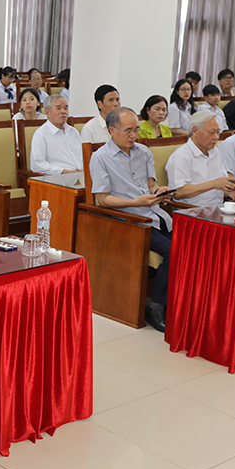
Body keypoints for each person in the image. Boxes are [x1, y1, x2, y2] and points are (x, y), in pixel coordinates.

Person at [90, 107, 174, 331]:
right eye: (128, 131)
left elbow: (151, 185)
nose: (133, 136)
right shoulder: (100, 158)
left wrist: (159, 192)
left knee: (191, 244)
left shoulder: (143, 152)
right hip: (130, 221)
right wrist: (138, 203)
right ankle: (156, 306)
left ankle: (177, 302)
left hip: (155, 215)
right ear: (112, 130)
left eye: (136, 130)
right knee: (173, 251)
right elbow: (103, 199)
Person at [166, 111, 235, 206]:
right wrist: (213, 184)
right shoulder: (182, 156)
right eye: (212, 133)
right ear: (195, 131)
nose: (216, 137)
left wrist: (229, 190)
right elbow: (178, 192)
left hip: (219, 207)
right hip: (192, 211)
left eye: (218, 132)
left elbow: (219, 186)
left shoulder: (215, 152)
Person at [30, 95, 83, 175]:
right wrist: (64, 172)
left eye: (65, 108)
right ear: (47, 112)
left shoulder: (73, 131)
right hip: (58, 179)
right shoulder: (41, 134)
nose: (63, 112)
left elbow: (84, 156)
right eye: (58, 108)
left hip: (82, 176)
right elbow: (37, 165)